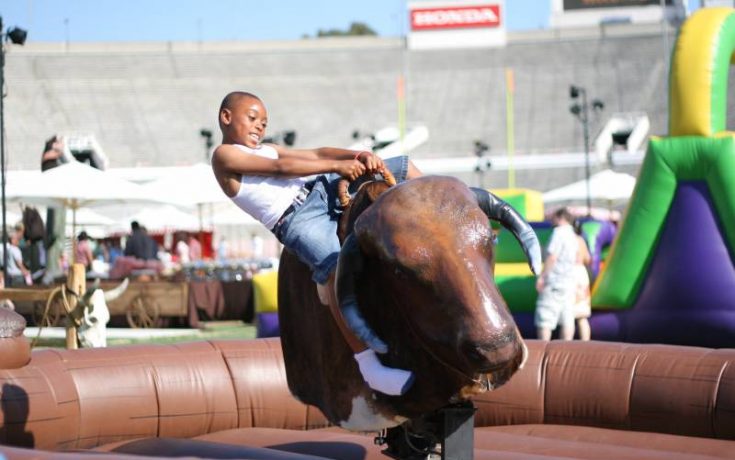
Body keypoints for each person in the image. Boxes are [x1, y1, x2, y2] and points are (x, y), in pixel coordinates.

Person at [211, 91, 422, 396]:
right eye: (253, 118)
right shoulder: (224, 156)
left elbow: (314, 154)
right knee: (337, 270)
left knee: (402, 166)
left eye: (264, 122)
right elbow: (280, 170)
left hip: (319, 189)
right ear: (226, 118)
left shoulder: (268, 149)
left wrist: (356, 156)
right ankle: (369, 367)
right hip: (296, 220)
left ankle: (446, 217)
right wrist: (337, 168)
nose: (260, 127)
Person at [534, 207, 578, 341]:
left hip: (554, 281)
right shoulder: (573, 236)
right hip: (569, 282)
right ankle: (566, 350)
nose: (551, 221)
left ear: (560, 218)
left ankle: (543, 348)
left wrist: (542, 277)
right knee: (567, 319)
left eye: (553, 218)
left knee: (545, 318)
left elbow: (552, 257)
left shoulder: (558, 232)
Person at [572, 220, 592, 341]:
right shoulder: (582, 240)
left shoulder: (569, 239)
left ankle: (566, 343)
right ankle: (586, 342)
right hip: (582, 273)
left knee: (569, 314)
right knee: (582, 316)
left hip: (572, 274)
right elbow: (588, 259)